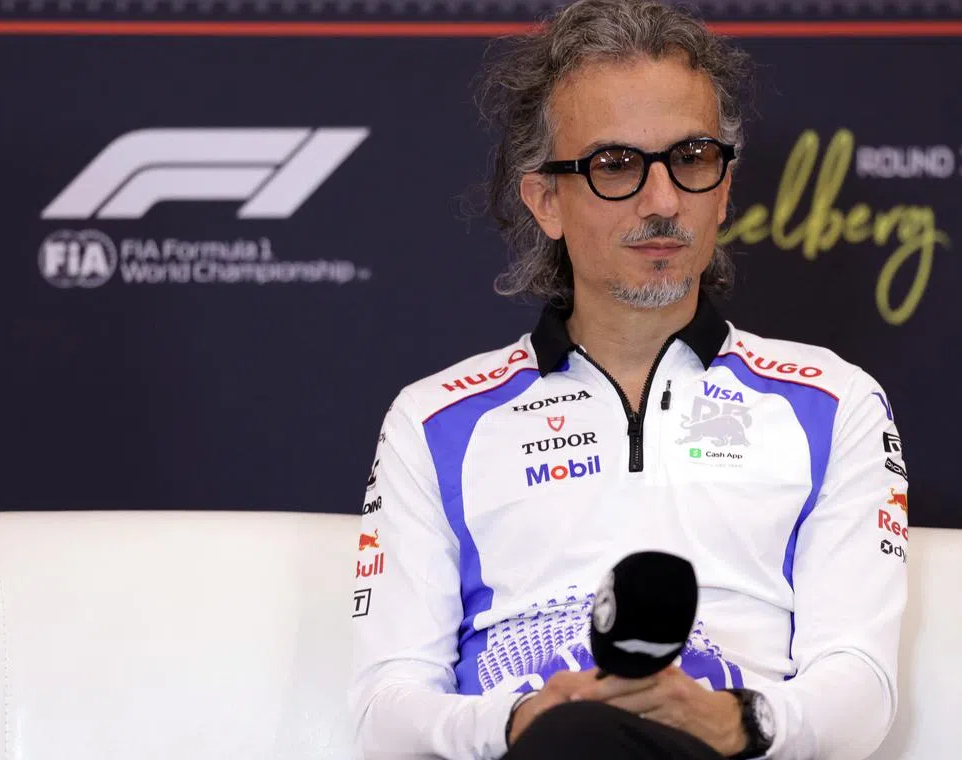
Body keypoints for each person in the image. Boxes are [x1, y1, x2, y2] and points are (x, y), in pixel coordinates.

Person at [350, 1, 909, 758]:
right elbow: (385, 708)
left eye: (692, 158)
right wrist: (515, 721)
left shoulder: (834, 402)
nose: (663, 201)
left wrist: (734, 720)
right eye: (616, 165)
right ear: (546, 198)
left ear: (725, 188)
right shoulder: (433, 421)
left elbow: (861, 679)